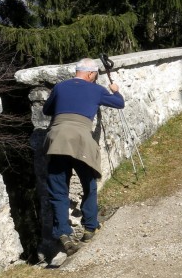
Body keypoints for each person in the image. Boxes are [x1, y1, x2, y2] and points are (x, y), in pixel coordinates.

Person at [42, 57, 125, 256]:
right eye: (95, 75)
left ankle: (63, 232)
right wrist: (115, 90)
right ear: (90, 74)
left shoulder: (60, 87)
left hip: (57, 140)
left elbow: (46, 110)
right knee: (89, 184)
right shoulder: (96, 90)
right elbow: (119, 104)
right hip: (81, 141)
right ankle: (90, 227)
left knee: (58, 189)